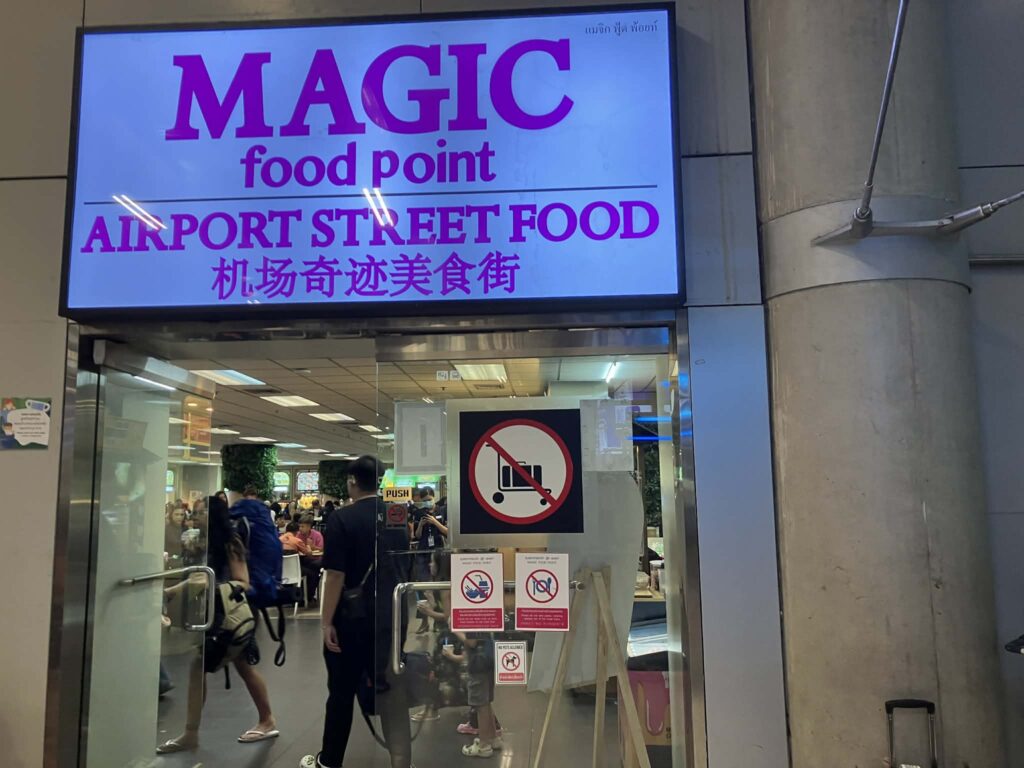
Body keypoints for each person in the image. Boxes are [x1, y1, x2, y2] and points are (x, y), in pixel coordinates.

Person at [300, 455, 412, 768]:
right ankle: (402, 761)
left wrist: (325, 623)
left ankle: (330, 760)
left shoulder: (342, 518)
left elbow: (334, 575)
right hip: (390, 616)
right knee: (390, 689)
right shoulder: (397, 516)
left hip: (351, 619)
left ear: (352, 481)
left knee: (341, 692)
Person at [157, 495, 262, 753]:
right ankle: (267, 718)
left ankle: (191, 734)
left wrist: (202, 587)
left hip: (229, 617)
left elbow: (243, 580)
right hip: (215, 616)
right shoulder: (203, 543)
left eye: (201, 512)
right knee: (241, 668)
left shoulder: (230, 542)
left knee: (200, 667)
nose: (195, 516)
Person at [228, 485, 283, 744]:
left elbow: (240, 574)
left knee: (239, 662)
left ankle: (266, 718)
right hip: (252, 596)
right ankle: (190, 732)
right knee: (236, 663)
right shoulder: (259, 521)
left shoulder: (235, 525)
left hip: (235, 601)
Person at [412, 489, 447, 634]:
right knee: (423, 589)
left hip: (439, 554)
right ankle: (424, 621)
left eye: (429, 498)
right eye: (424, 499)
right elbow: (417, 536)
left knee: (439, 588)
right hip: (423, 553)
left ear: (434, 498)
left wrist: (435, 522)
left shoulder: (442, 511)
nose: (427, 501)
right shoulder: (419, 513)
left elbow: (447, 531)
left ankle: (439, 621)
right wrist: (421, 524)